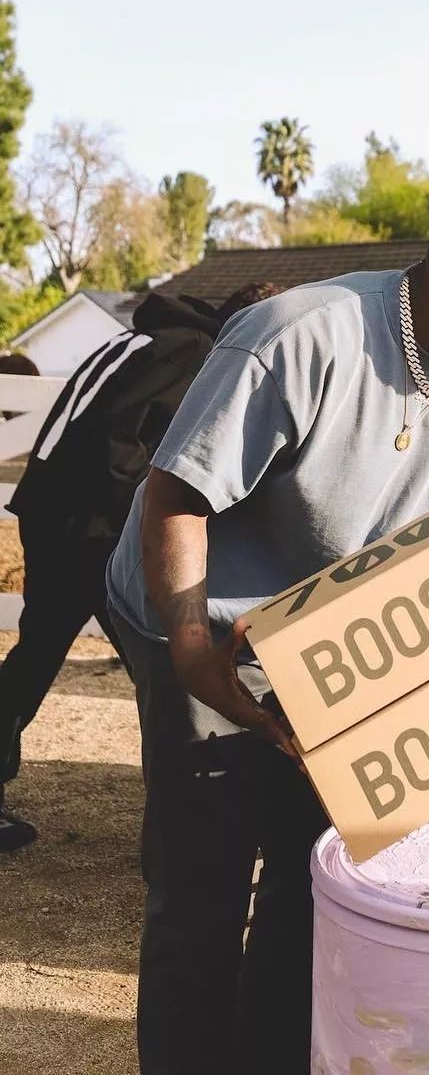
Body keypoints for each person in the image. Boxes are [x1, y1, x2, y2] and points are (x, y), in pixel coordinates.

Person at [104, 183, 429, 1074]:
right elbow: (177, 495)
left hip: (327, 636)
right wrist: (193, 652)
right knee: (203, 885)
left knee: (312, 872)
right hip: (200, 614)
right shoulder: (300, 335)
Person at [0, 284, 281, 854]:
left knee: (49, 652)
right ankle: (198, 805)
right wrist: (150, 521)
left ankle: (194, 797)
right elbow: (118, 443)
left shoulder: (152, 335)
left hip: (57, 511)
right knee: (166, 661)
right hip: (89, 525)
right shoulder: (189, 349)